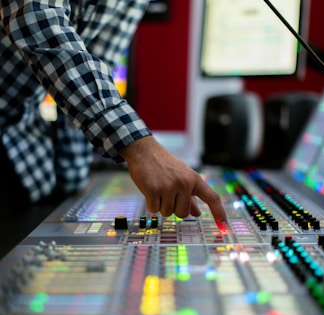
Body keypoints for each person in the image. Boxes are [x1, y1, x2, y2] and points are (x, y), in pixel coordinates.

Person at [0, 0, 227, 227]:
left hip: (19, 145)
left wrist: (72, 188)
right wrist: (140, 148)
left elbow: (96, 68)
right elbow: (37, 21)